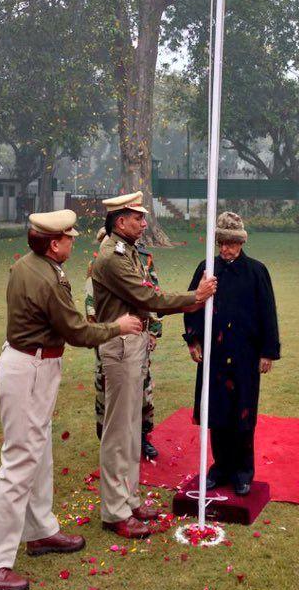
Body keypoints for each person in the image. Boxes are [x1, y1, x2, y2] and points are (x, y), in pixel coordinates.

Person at [0, 210, 143, 590]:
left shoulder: (29, 267)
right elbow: (78, 331)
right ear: (53, 244)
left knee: (40, 451)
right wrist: (119, 326)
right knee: (19, 462)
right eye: (68, 238)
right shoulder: (47, 279)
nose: (73, 242)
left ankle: (40, 530)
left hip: (31, 364)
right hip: (29, 368)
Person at [90, 191, 217, 539]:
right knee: (118, 432)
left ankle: (128, 501)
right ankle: (115, 510)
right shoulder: (114, 258)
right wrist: (196, 298)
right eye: (138, 218)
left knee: (132, 429)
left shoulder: (127, 252)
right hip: (119, 346)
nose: (144, 224)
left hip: (133, 343)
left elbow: (147, 294)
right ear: (120, 222)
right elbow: (149, 297)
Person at [183, 211, 280, 497]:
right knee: (216, 412)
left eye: (231, 244)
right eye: (221, 243)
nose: (225, 249)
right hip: (214, 354)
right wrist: (193, 341)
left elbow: (268, 313)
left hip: (245, 356)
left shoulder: (256, 271)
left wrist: (268, 352)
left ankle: (242, 472)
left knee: (243, 414)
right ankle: (220, 467)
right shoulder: (207, 269)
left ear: (241, 243)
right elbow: (193, 305)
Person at [86, 227, 162, 459]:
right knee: (107, 387)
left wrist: (154, 331)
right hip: (111, 336)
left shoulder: (144, 259)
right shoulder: (101, 262)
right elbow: (92, 300)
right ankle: (109, 438)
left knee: (142, 386)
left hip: (139, 333)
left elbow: (153, 294)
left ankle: (141, 437)